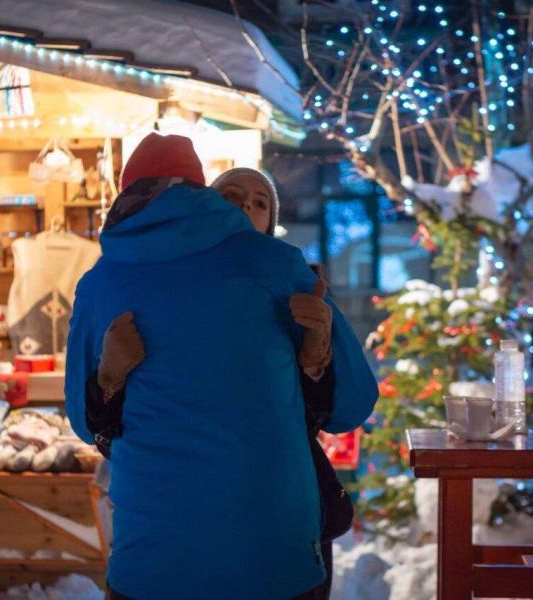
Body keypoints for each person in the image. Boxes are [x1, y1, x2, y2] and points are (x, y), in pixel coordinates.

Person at [65, 132, 378, 599]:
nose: (243, 210)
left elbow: (85, 425)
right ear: (203, 198)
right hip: (270, 556)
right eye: (231, 197)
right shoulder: (278, 267)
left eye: (257, 202)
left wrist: (110, 378)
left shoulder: (100, 283)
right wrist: (320, 355)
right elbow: (350, 407)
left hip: (152, 557)